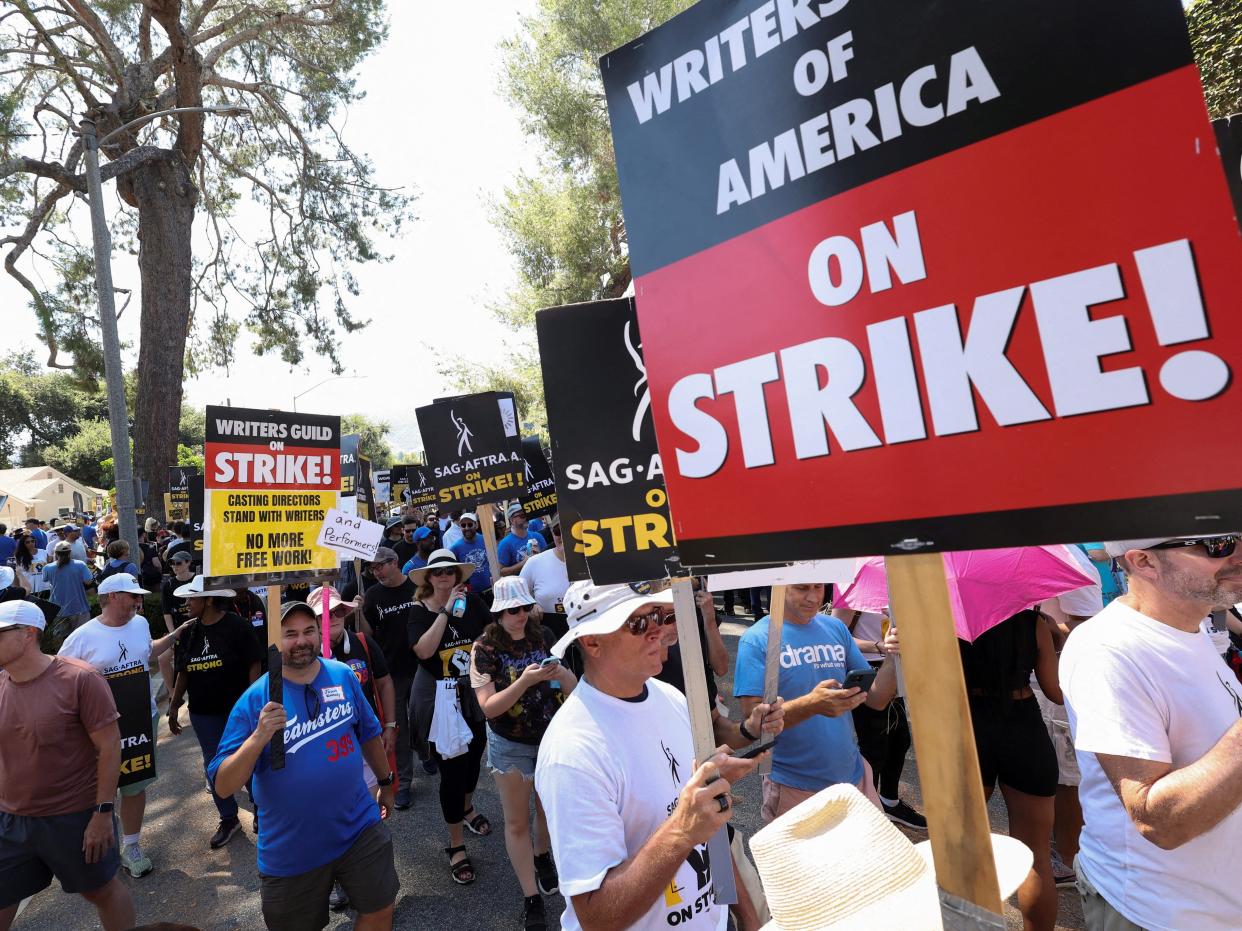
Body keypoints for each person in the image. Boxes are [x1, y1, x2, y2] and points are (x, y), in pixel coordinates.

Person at [536, 580, 784, 931]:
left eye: (661, 616)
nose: (660, 632)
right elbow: (596, 917)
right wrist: (682, 829)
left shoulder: (671, 698)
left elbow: (708, 823)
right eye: (639, 623)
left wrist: (745, 914)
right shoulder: (574, 751)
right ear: (591, 641)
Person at [1062, 535, 1242, 931]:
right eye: (1220, 544)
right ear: (1144, 562)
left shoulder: (1188, 628)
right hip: (1157, 913)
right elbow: (1158, 822)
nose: (1238, 555)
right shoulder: (1107, 649)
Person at [209, 601, 399, 930]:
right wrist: (257, 738)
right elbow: (223, 785)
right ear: (274, 640)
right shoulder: (256, 699)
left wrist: (386, 783)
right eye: (290, 634)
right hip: (292, 850)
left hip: (358, 828)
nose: (302, 641)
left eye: (309, 631)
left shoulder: (341, 675)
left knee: (381, 907)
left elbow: (368, 734)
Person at [0, 600, 136, 931]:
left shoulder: (79, 679)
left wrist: (102, 814)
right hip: (10, 820)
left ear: (28, 634)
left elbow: (109, 747)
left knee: (101, 891)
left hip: (72, 817)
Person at [57, 573, 190, 878]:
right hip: (97, 729)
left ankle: (131, 847)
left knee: (135, 784)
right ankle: (100, 845)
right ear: (113, 597)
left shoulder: (140, 624)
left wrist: (174, 635)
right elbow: (60, 678)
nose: (139, 601)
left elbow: (147, 652)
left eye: (139, 596)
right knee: (99, 788)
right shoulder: (82, 637)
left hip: (141, 719)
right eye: (133, 596)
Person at [734, 582, 901, 823]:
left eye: (819, 587)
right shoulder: (758, 639)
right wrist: (812, 704)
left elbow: (876, 699)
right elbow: (755, 723)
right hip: (795, 784)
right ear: (779, 587)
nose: (813, 597)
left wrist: (894, 655)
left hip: (852, 776)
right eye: (802, 588)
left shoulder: (835, 628)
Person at [471, 577, 577, 929]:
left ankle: (542, 855)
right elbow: (489, 707)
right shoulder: (483, 649)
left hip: (549, 737)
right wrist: (524, 681)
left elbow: (573, 689)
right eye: (511, 610)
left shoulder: (543, 635)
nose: (520, 616)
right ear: (499, 614)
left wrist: (561, 673)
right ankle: (530, 896)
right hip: (510, 743)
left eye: (524, 608)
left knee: (547, 810)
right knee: (516, 820)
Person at [959, 609, 1062, 931]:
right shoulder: (1032, 622)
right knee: (1036, 857)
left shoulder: (948, 618)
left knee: (963, 850)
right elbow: (1056, 692)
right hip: (1024, 727)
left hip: (968, 726)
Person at [407, 548, 493, 884]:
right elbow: (424, 651)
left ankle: (467, 808)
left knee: (473, 761)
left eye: (450, 572)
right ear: (428, 578)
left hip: (472, 691)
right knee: (452, 771)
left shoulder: (472, 604)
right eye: (438, 573)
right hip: (439, 697)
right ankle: (456, 845)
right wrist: (444, 611)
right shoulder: (418, 610)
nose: (444, 577)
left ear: (458, 576)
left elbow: (491, 636)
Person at [167, 576, 263, 849]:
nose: (186, 604)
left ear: (209, 599)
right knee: (214, 766)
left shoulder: (237, 626)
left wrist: (251, 704)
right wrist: (174, 707)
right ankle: (228, 818)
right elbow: (182, 671)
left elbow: (253, 664)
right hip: (203, 712)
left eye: (192, 598)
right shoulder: (187, 632)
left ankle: (261, 811)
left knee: (248, 762)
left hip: (238, 711)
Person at [319, 584, 397, 912]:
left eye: (339, 611)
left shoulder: (363, 643)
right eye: (326, 613)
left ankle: (374, 882)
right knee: (333, 817)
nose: (334, 617)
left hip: (365, 745)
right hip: (325, 754)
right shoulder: (302, 655)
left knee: (369, 815)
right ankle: (339, 880)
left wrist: (390, 725)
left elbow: (383, 681)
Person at [831, 608, 927, 830]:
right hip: (865, 671)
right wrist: (878, 646)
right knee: (874, 746)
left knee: (900, 739)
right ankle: (867, 812)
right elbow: (838, 636)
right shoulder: (856, 588)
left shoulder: (895, 588)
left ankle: (889, 802)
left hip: (892, 668)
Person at [362, 546, 421, 808]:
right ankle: (405, 782)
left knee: (423, 719)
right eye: (372, 569)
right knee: (398, 728)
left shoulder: (417, 587)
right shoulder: (373, 595)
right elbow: (368, 635)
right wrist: (358, 612)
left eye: (380, 566)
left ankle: (428, 754)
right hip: (392, 672)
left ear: (395, 562)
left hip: (422, 667)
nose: (376, 572)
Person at [519, 519, 571, 642]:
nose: (562, 535)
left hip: (587, 630)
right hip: (551, 633)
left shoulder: (592, 560)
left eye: (568, 529)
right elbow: (517, 595)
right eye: (558, 531)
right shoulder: (535, 562)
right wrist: (530, 605)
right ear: (552, 533)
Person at [42, 540, 95, 633]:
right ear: (70, 552)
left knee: (59, 642)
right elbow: (88, 582)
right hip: (79, 607)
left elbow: (45, 579)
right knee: (82, 637)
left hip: (58, 610)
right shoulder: (80, 565)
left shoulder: (47, 568)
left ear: (56, 553)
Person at [450, 512, 493, 595]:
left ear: (476, 525)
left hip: (490, 589)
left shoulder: (486, 539)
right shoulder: (455, 548)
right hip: (471, 594)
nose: (466, 528)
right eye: (463, 525)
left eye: (470, 524)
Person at [497, 505, 539, 577]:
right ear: (512, 520)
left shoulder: (538, 536)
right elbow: (501, 572)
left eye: (527, 514)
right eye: (522, 515)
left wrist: (540, 555)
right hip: (520, 586)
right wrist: (524, 563)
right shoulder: (504, 544)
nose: (526, 518)